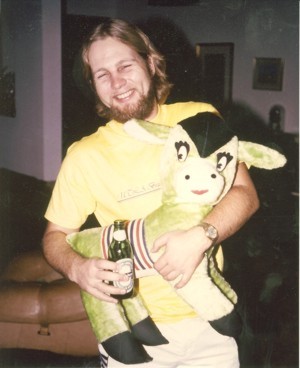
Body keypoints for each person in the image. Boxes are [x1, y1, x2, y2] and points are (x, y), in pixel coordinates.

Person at [43, 18, 259, 368]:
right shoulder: (84, 156)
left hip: (213, 321)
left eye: (125, 65)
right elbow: (55, 236)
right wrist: (77, 268)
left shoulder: (198, 118)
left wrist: (201, 235)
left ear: (150, 62)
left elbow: (244, 193)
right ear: (93, 86)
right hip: (134, 334)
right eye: (101, 74)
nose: (117, 83)